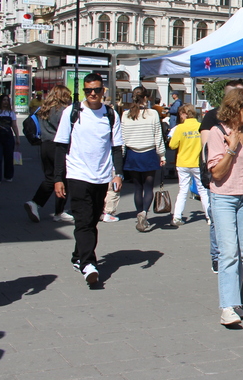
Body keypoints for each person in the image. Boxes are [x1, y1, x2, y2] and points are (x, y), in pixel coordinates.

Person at [54, 73, 124, 287]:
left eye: (96, 90)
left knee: (93, 219)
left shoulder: (111, 115)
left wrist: (118, 173)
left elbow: (116, 147)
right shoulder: (73, 112)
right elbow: (60, 145)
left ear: (103, 91)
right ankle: (88, 264)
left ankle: (78, 255)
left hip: (101, 176)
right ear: (84, 91)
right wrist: (58, 178)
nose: (92, 94)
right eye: (88, 90)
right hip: (77, 175)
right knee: (83, 220)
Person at [204, 87, 243, 326]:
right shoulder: (218, 133)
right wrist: (232, 148)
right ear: (235, 108)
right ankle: (227, 307)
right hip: (224, 198)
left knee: (241, 253)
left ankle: (235, 299)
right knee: (228, 252)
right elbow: (216, 173)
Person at [201, 79, 243, 272]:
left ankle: (236, 257)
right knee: (217, 219)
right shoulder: (212, 117)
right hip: (219, 179)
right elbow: (206, 149)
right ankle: (217, 255)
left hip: (241, 184)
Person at [24, 85, 74, 224]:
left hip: (45, 145)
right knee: (62, 178)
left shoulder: (43, 109)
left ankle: (35, 203)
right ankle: (59, 211)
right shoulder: (62, 111)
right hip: (58, 146)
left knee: (50, 178)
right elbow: (65, 129)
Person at [121, 87, 166, 233]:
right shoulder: (152, 114)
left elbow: (122, 137)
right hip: (149, 153)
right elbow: (158, 136)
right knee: (148, 187)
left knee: (137, 187)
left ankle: (139, 212)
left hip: (132, 154)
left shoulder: (126, 115)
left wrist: (121, 156)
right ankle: (144, 213)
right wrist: (162, 155)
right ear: (145, 98)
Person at [170, 104, 210, 227]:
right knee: (203, 191)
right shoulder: (200, 126)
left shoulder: (180, 128)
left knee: (182, 190)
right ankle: (209, 216)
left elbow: (172, 145)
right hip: (197, 162)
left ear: (183, 114)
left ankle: (177, 217)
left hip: (183, 162)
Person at [0, 94, 20, 183]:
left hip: (8, 136)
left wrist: (17, 137)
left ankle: (8, 175)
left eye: (6, 100)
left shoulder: (11, 113)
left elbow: (14, 125)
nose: (5, 102)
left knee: (8, 157)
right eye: (3, 100)